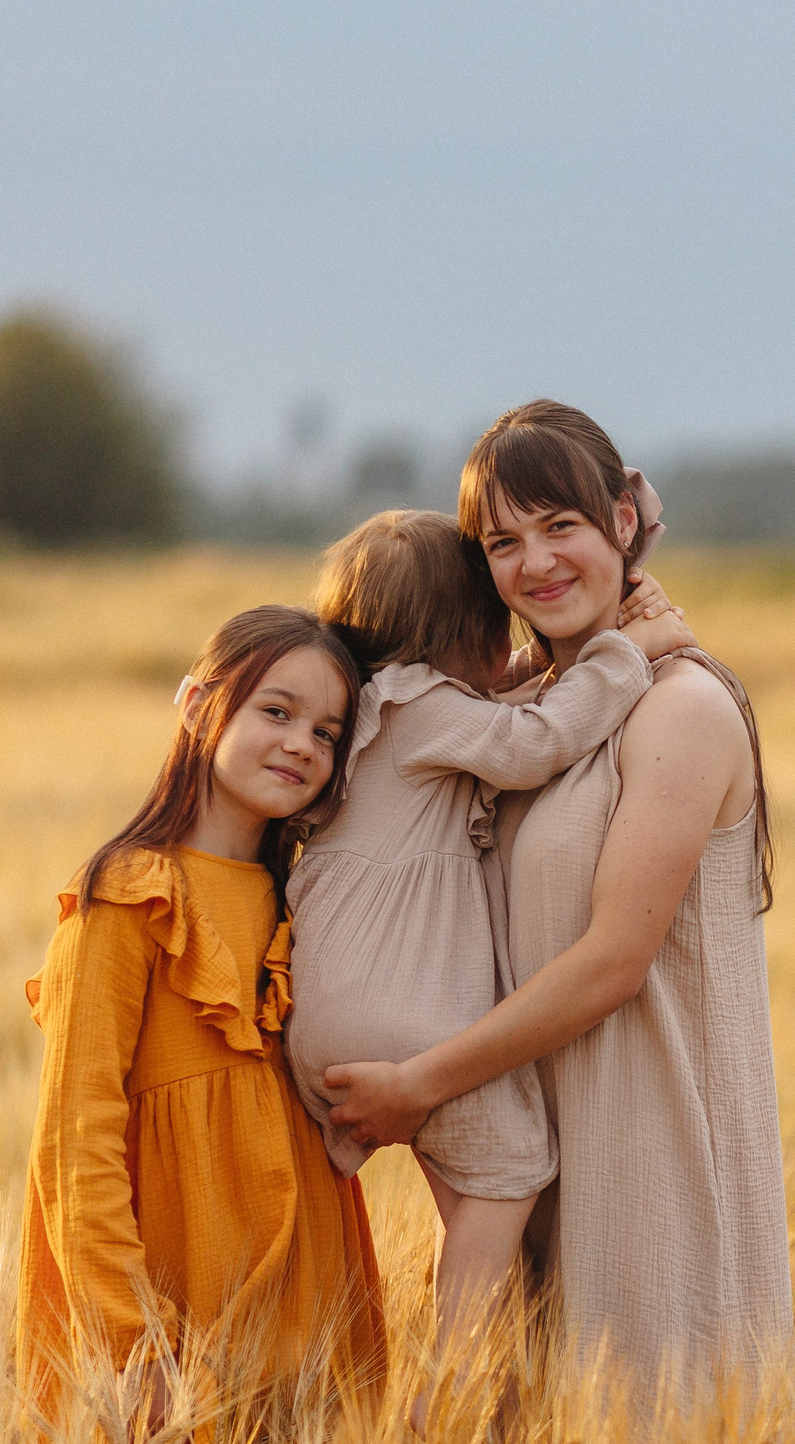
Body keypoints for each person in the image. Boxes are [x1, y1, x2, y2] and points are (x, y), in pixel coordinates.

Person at [323, 400, 788, 1396]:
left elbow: (615, 962)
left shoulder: (681, 707)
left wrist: (421, 1086)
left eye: (560, 525)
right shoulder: (536, 708)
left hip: (649, 1162)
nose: (534, 562)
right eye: (502, 541)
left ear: (622, 520)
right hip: (544, 1165)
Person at [285, 507, 693, 1373]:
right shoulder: (430, 710)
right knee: (513, 1167)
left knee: (474, 1198)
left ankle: (498, 1396)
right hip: (405, 1017)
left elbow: (502, 691)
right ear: (462, 629)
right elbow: (536, 736)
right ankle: (455, 1384)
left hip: (328, 1016)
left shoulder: (370, 711)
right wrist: (628, 653)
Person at [16, 606, 388, 1444]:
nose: (301, 742)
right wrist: (131, 1342)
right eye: (276, 711)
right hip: (178, 1336)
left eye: (327, 732)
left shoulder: (311, 900)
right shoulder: (128, 904)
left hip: (307, 1321)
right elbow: (76, 1145)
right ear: (197, 705)